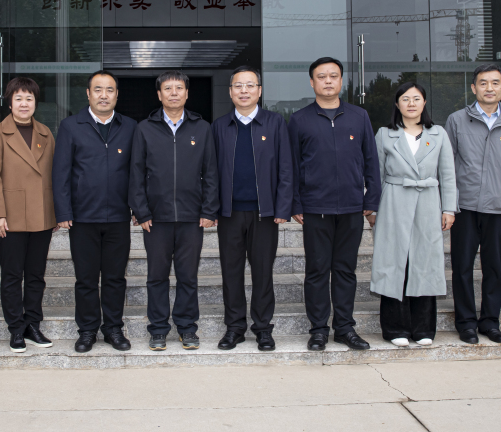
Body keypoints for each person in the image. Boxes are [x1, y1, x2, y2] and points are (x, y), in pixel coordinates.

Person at [288, 57, 381, 352]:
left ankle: (344, 328)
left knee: (345, 270)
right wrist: (295, 203)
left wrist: (371, 199)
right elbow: (291, 166)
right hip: (315, 208)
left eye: (333, 76)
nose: (328, 81)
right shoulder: (299, 119)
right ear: (312, 82)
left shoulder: (359, 116)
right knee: (317, 270)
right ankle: (318, 330)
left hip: (352, 207)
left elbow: (371, 161)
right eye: (321, 76)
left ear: (341, 80)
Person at [128, 71, 219, 351]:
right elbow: (136, 174)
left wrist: (209, 210)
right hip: (156, 219)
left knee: (188, 276)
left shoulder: (201, 128)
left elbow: (211, 173)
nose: (174, 93)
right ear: (159, 94)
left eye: (179, 88)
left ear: (187, 93)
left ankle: (187, 327)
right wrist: (142, 212)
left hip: (192, 217)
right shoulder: (145, 128)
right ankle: (158, 329)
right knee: (156, 276)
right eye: (168, 89)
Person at [53, 70, 136, 353]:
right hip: (83, 217)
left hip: (118, 217)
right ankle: (87, 330)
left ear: (117, 95)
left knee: (115, 278)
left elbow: (137, 171)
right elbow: (61, 172)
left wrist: (138, 207)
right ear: (88, 94)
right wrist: (63, 211)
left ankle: (113, 328)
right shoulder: (71, 126)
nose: (104, 95)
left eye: (109, 90)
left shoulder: (130, 126)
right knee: (86, 279)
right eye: (98, 90)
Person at [211, 66, 292, 352]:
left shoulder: (275, 123)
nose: (243, 91)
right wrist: (212, 209)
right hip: (230, 213)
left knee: (263, 272)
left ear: (259, 90)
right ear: (230, 91)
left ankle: (263, 329)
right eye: (238, 86)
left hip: (264, 213)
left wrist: (283, 207)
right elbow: (211, 172)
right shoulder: (219, 126)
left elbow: (286, 167)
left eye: (250, 85)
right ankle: (234, 328)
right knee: (231, 272)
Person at [444, 64, 501, 344]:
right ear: (473, 87)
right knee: (462, 267)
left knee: (493, 267)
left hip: (498, 206)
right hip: (465, 206)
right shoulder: (457, 120)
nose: (489, 88)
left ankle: (490, 322)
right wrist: (448, 203)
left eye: (495, 83)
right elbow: (447, 165)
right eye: (483, 83)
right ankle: (466, 323)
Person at [372, 82, 457, 347]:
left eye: (416, 98)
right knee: (393, 262)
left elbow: (448, 174)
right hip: (394, 200)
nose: (411, 103)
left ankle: (423, 329)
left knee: (425, 262)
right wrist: (372, 209)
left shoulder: (438, 134)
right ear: (397, 104)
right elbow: (376, 174)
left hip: (428, 202)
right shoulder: (385, 134)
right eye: (405, 99)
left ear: (424, 103)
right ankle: (394, 328)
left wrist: (448, 208)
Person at [0, 77, 57, 353]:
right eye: (18, 98)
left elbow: (54, 174)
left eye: (29, 98)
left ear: (36, 102)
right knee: (13, 275)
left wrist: (55, 212)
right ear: (9, 102)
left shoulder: (45, 133)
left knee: (36, 275)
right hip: (10, 216)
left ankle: (33, 325)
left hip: (41, 213)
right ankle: (16, 328)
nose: (24, 103)